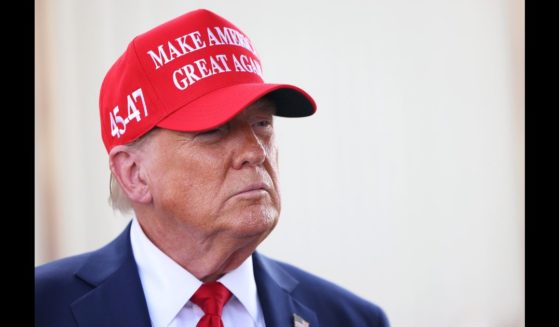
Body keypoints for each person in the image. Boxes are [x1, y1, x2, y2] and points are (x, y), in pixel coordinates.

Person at [35, 9, 390, 327]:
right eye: (212, 131)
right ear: (133, 174)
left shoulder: (351, 318)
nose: (253, 151)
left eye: (262, 124)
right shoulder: (45, 307)